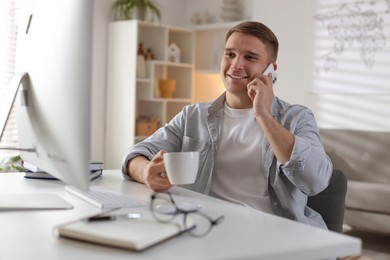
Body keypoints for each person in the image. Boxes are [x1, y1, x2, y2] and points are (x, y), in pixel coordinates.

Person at [121, 21, 333, 229]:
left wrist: (263, 114)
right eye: (230, 54)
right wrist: (146, 171)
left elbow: (316, 181)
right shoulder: (193, 115)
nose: (236, 64)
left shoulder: (298, 117)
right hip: (207, 228)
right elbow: (135, 154)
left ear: (271, 69)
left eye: (249, 57)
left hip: (273, 232)